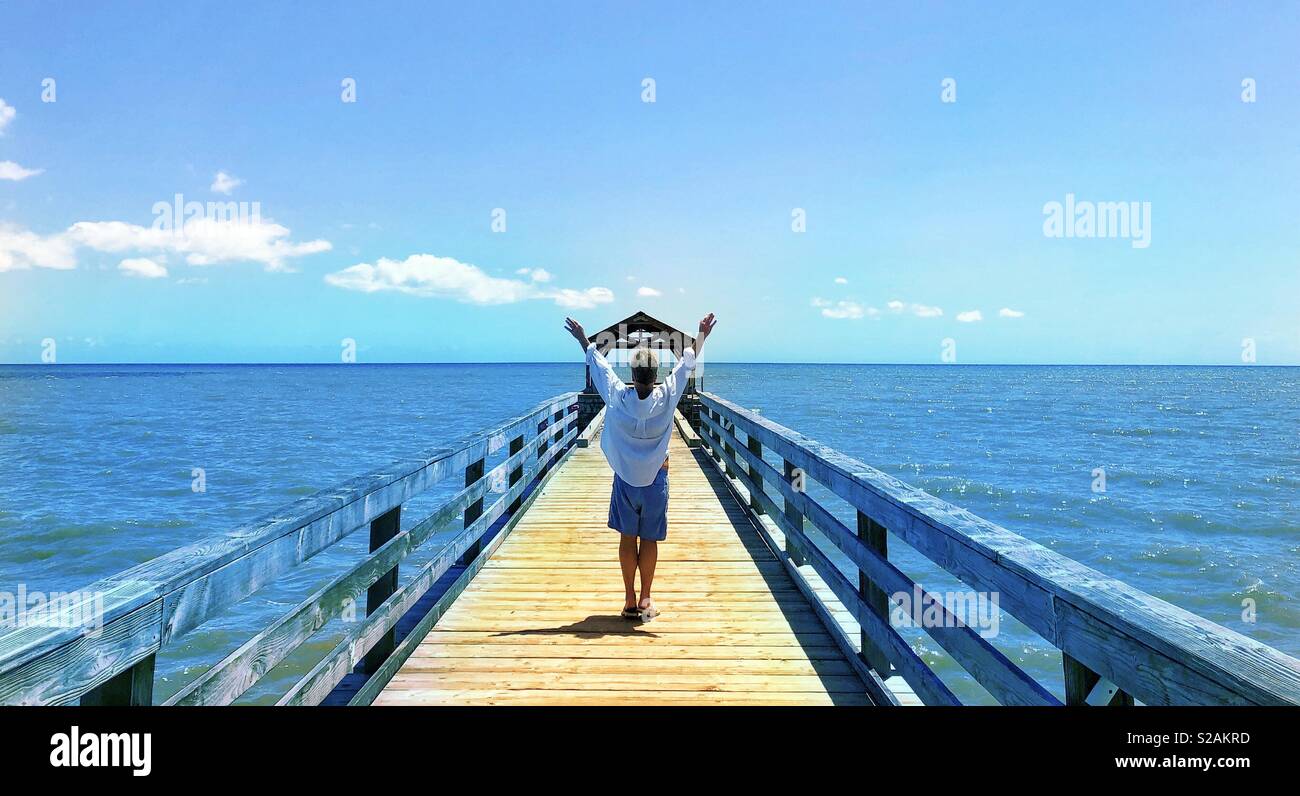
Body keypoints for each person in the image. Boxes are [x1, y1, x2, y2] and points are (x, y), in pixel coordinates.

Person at [564, 313, 717, 621]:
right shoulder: (667, 396)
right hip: (656, 479)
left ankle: (629, 599)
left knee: (626, 538)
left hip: (624, 480)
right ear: (656, 373)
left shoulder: (618, 397)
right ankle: (647, 599)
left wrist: (582, 338)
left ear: (633, 374)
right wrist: (702, 335)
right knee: (649, 539)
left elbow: (599, 365)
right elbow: (686, 364)